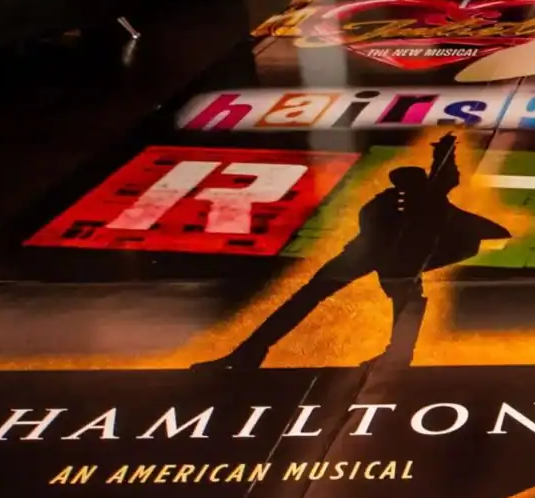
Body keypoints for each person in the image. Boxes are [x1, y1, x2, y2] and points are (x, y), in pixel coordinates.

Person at [192, 135, 506, 369]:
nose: (405, 186)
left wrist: (444, 152)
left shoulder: (431, 198)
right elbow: (372, 226)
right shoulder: (387, 201)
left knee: (405, 298)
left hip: (399, 259)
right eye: (401, 182)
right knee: (309, 296)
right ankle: (250, 351)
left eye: (410, 181)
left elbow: (444, 177)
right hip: (366, 253)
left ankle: (398, 356)